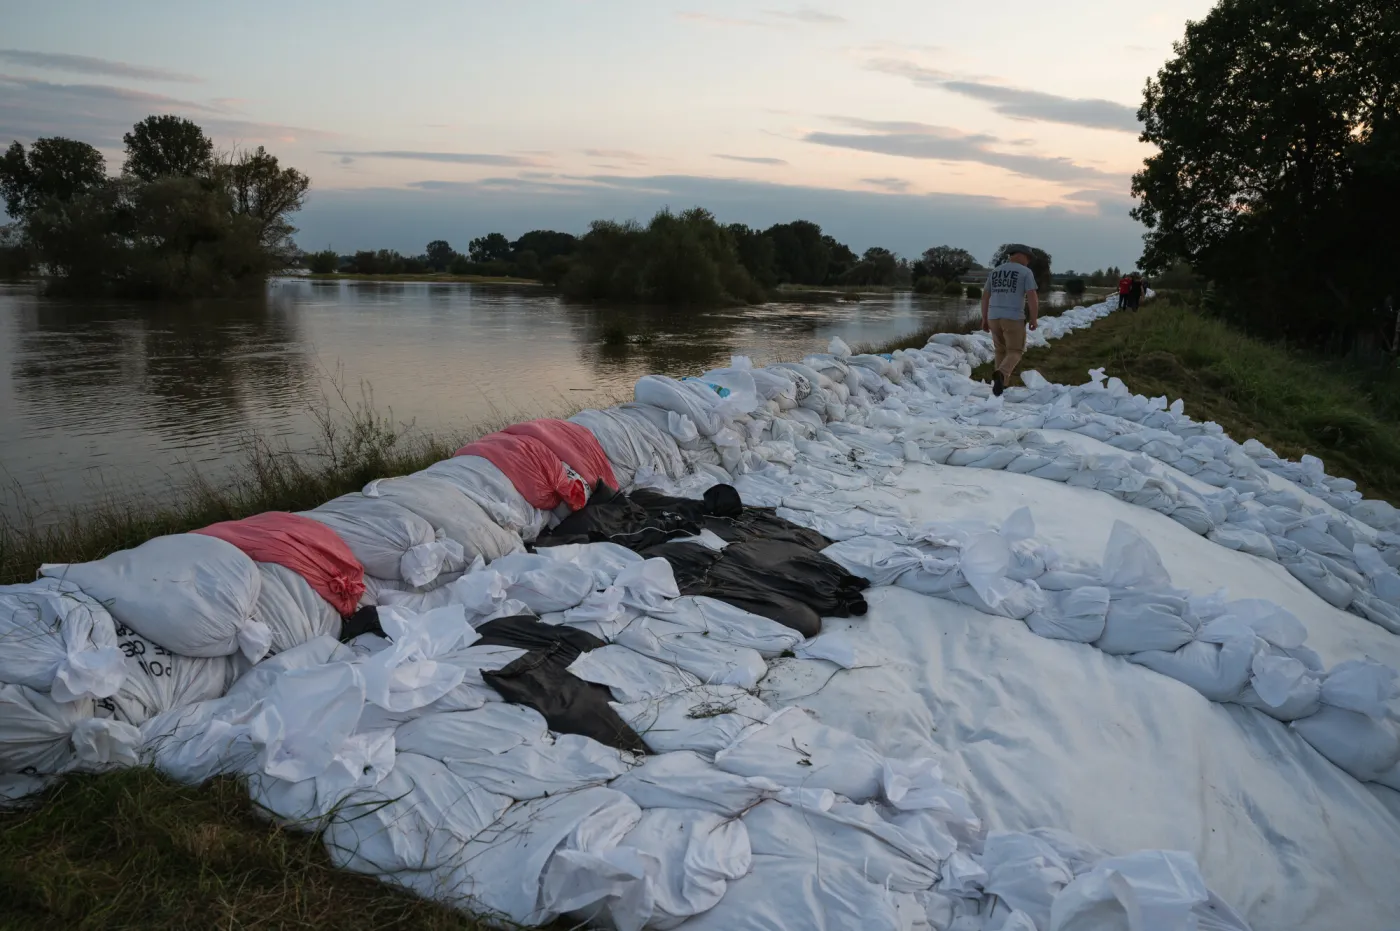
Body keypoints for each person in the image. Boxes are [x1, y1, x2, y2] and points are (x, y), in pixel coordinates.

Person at [981, 244, 1039, 397]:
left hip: (994, 316)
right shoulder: (1025, 272)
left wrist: (984, 318)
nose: (1028, 261)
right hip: (1013, 317)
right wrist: (1033, 318)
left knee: (1000, 350)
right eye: (1028, 258)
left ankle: (1001, 387)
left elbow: (985, 296)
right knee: (1015, 351)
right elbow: (1032, 296)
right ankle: (1002, 373)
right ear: (1022, 255)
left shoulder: (995, 272)